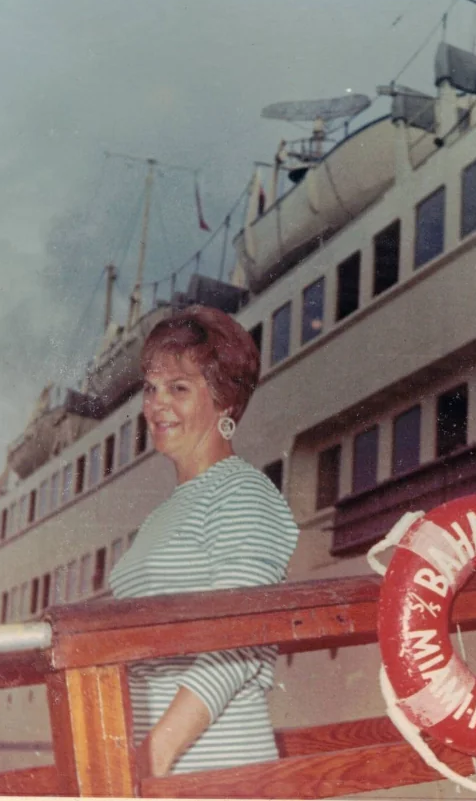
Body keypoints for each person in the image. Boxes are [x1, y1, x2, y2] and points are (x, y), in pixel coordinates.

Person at [108, 304, 299, 777]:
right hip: (159, 770)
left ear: (225, 402)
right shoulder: (163, 515)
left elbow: (236, 642)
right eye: (150, 389)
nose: (156, 405)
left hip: (218, 773)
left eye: (178, 388)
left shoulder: (245, 493)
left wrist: (155, 752)